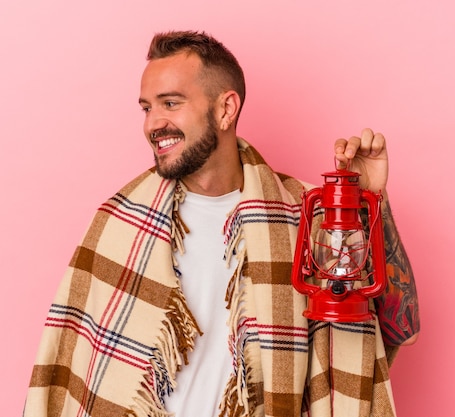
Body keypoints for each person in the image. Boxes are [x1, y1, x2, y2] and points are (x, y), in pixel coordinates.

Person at [24, 30, 419, 417]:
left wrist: (370, 204)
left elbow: (400, 327)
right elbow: (70, 373)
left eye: (171, 103)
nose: (152, 124)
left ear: (226, 109)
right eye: (147, 108)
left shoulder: (306, 217)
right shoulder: (121, 223)